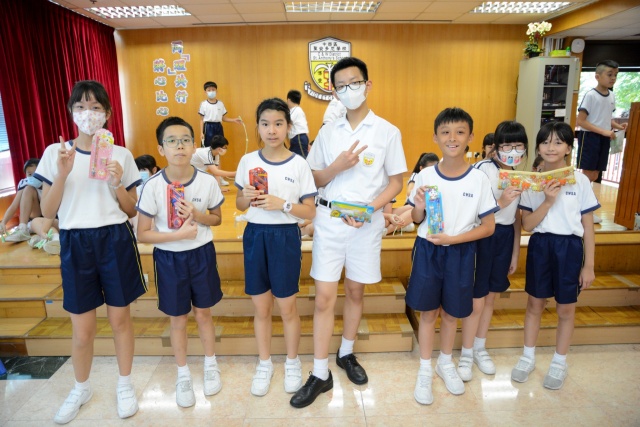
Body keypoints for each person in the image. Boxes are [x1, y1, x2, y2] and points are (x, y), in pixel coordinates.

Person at [290, 57, 407, 408]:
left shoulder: (387, 131)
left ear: (367, 85)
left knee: (355, 291)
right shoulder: (329, 131)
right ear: (335, 92)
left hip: (366, 223)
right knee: (324, 297)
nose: (348, 90)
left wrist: (370, 210)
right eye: (341, 86)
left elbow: (396, 182)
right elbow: (313, 178)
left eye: (354, 83)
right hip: (329, 221)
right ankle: (319, 372)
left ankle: (346, 352)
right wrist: (337, 166)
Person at [34, 80, 146, 424]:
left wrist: (116, 184)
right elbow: (47, 211)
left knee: (120, 320)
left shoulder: (121, 154)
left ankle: (124, 384)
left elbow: (130, 209)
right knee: (82, 329)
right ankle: (81, 388)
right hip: (75, 242)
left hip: (114, 239)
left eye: (95, 107)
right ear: (71, 112)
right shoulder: (56, 153)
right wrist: (63, 174)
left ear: (107, 113)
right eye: (81, 107)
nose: (88, 114)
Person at [406, 107, 498, 405]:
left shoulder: (478, 179)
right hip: (428, 251)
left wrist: (453, 239)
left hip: (460, 252)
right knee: (428, 312)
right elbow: (416, 219)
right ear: (435, 137)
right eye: (445, 132)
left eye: (460, 132)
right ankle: (425, 368)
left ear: (470, 137)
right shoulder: (425, 175)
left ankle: (445, 362)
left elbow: (488, 227)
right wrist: (419, 205)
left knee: (450, 313)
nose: (452, 138)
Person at [136, 116, 225, 407]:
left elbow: (217, 219)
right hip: (169, 260)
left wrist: (198, 217)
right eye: (172, 141)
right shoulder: (152, 186)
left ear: (193, 145)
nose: (180, 146)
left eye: (186, 140)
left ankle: (210, 364)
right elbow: (143, 234)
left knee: (204, 313)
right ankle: (183, 373)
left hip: (201, 255)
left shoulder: (207, 181)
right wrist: (178, 236)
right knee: (177, 319)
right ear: (161, 149)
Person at [235, 98, 317, 397]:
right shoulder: (247, 161)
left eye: (278, 123)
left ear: (288, 127)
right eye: (266, 123)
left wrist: (282, 204)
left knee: (287, 306)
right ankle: (265, 363)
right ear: (258, 127)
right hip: (255, 235)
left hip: (285, 237)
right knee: (261, 307)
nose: (272, 130)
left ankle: (292, 362)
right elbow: (239, 204)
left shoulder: (299, 164)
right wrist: (245, 197)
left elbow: (310, 211)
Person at [511, 121, 597, 390]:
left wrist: (589, 265)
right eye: (545, 142)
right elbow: (527, 225)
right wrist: (548, 201)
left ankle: (559, 362)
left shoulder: (581, 181)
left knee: (566, 308)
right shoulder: (532, 183)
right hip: (541, 245)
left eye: (558, 142)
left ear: (568, 148)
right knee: (535, 304)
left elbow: (588, 226)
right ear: (538, 148)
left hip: (570, 248)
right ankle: (527, 357)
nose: (551, 147)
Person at [458, 121, 526, 383]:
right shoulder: (483, 170)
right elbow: (471, 211)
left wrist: (515, 253)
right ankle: (466, 353)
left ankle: (479, 347)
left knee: (490, 298)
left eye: (518, 146)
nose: (513, 151)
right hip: (483, 235)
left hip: (505, 237)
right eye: (507, 146)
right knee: (477, 300)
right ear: (496, 147)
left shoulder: (519, 174)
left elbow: (517, 218)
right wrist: (501, 201)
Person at [575, 60, 627, 223]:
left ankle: (585, 209)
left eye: (615, 75)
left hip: (603, 138)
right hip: (590, 137)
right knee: (588, 175)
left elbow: (606, 118)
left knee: (595, 174)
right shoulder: (591, 95)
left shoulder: (611, 95)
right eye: (609, 74)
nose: (613, 78)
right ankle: (580, 209)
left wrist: (618, 126)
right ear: (597, 76)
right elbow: (581, 121)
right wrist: (603, 131)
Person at [2, 159, 60, 254]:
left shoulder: (50, 182)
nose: (33, 177)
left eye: (36, 173)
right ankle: (23, 228)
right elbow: (14, 205)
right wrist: (3, 222)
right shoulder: (26, 184)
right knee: (28, 190)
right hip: (37, 218)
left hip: (52, 218)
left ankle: (47, 238)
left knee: (40, 224)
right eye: (29, 174)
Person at [383, 153, 439, 235]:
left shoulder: (390, 185)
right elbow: (409, 192)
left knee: (412, 209)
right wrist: (388, 217)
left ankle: (397, 227)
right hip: (375, 217)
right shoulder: (416, 176)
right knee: (412, 210)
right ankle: (390, 229)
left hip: (422, 211)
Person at [198, 81, 242, 148]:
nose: (211, 91)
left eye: (213, 90)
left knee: (219, 145)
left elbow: (223, 118)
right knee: (208, 146)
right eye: (209, 90)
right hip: (208, 127)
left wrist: (233, 120)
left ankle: (218, 155)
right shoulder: (204, 104)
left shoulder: (220, 104)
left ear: (216, 91)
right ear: (205, 92)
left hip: (218, 126)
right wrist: (201, 133)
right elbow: (201, 119)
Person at [286, 90, 310, 158]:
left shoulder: (296, 110)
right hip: (298, 139)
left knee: (302, 158)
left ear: (288, 100)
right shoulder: (298, 110)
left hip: (299, 138)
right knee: (293, 158)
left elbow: (287, 122)